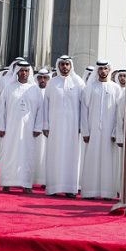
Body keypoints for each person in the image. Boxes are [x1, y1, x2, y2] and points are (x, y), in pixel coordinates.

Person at [80, 60, 122, 200]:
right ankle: (90, 191)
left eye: (105, 68)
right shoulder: (90, 87)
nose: (103, 71)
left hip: (109, 133)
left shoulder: (116, 88)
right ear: (97, 70)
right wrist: (85, 131)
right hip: (93, 131)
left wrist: (116, 131)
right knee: (91, 159)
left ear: (109, 70)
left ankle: (107, 192)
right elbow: (84, 110)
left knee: (108, 162)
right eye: (101, 68)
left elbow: (119, 113)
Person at [0, 62, 42, 191]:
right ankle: (6, 182)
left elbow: (41, 110)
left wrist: (38, 127)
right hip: (10, 129)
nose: (24, 73)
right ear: (17, 72)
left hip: (29, 130)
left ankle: (26, 184)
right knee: (9, 154)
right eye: (21, 70)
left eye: (26, 71)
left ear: (29, 72)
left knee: (27, 155)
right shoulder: (9, 88)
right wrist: (0, 126)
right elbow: (1, 109)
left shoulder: (35, 89)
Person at [43, 55, 84, 197]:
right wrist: (45, 124)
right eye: (62, 64)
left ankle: (70, 189)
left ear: (71, 65)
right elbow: (46, 104)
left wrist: (82, 125)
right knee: (55, 155)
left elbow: (83, 106)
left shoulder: (78, 82)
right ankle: (53, 187)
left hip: (73, 127)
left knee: (71, 156)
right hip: (55, 126)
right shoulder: (52, 83)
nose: (65, 67)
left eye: (67, 64)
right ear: (58, 66)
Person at [32, 68, 50, 188]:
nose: (42, 80)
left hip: (49, 130)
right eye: (40, 78)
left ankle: (45, 180)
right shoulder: (33, 91)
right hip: (35, 130)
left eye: (45, 78)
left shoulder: (52, 91)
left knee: (47, 154)